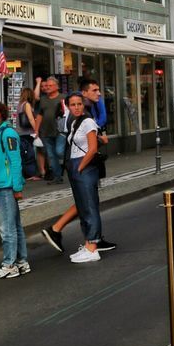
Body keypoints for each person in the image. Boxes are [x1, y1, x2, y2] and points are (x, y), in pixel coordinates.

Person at [41, 80, 117, 254]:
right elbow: (86, 143)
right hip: (80, 162)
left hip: (77, 162)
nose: (99, 93)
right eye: (94, 90)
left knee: (87, 201)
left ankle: (90, 238)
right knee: (88, 203)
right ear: (84, 93)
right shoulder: (82, 117)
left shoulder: (82, 115)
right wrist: (82, 165)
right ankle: (86, 240)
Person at [0, 101, 30, 279]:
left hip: (7, 187)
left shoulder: (7, 133)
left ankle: (9, 264)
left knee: (7, 228)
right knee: (15, 226)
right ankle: (21, 262)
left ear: (1, 114)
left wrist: (17, 187)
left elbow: (16, 161)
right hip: (0, 187)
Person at [63, 93, 104, 263]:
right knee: (82, 206)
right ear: (68, 106)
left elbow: (93, 148)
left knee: (89, 206)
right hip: (76, 166)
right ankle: (87, 243)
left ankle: (93, 247)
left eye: (79, 104)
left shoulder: (88, 121)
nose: (77, 107)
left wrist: (80, 167)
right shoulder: (74, 122)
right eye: (73, 104)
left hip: (84, 167)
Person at [36, 76, 68, 183]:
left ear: (57, 87)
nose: (47, 88)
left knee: (59, 152)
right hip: (45, 132)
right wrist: (36, 130)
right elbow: (40, 115)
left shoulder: (63, 98)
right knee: (51, 155)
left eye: (50, 86)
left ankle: (70, 164)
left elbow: (69, 113)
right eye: (46, 86)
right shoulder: (43, 99)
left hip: (60, 131)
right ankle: (57, 177)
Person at [15, 86, 41, 180]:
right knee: (29, 154)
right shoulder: (27, 105)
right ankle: (30, 174)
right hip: (26, 133)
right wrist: (36, 129)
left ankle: (25, 174)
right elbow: (30, 118)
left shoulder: (20, 104)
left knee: (23, 154)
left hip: (19, 133)